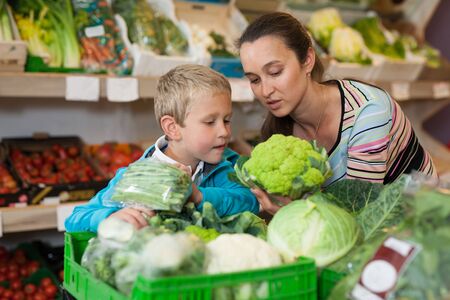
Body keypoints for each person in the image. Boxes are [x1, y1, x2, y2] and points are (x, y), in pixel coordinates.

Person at [236, 12, 437, 215]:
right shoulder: (281, 131)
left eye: (275, 72)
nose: (265, 91)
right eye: (254, 80)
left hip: (420, 220)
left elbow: (359, 211)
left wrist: (292, 212)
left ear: (307, 60)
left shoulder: (369, 112)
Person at [65, 64, 259, 232]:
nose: (224, 132)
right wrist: (110, 217)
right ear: (172, 128)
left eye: (227, 120)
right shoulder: (135, 178)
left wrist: (199, 196)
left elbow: (250, 201)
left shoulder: (226, 166)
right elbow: (75, 218)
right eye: (210, 122)